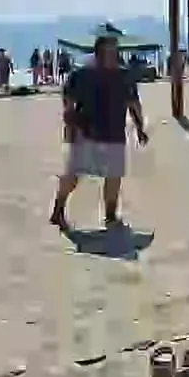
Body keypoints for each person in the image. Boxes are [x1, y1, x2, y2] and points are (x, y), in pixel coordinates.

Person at [50, 34, 149, 230]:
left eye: (114, 51)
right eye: (109, 51)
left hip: (114, 133)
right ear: (98, 53)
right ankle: (58, 210)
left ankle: (110, 216)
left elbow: (133, 104)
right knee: (73, 176)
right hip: (85, 132)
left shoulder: (124, 75)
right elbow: (68, 101)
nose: (113, 55)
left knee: (113, 177)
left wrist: (140, 128)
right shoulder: (82, 74)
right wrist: (70, 124)